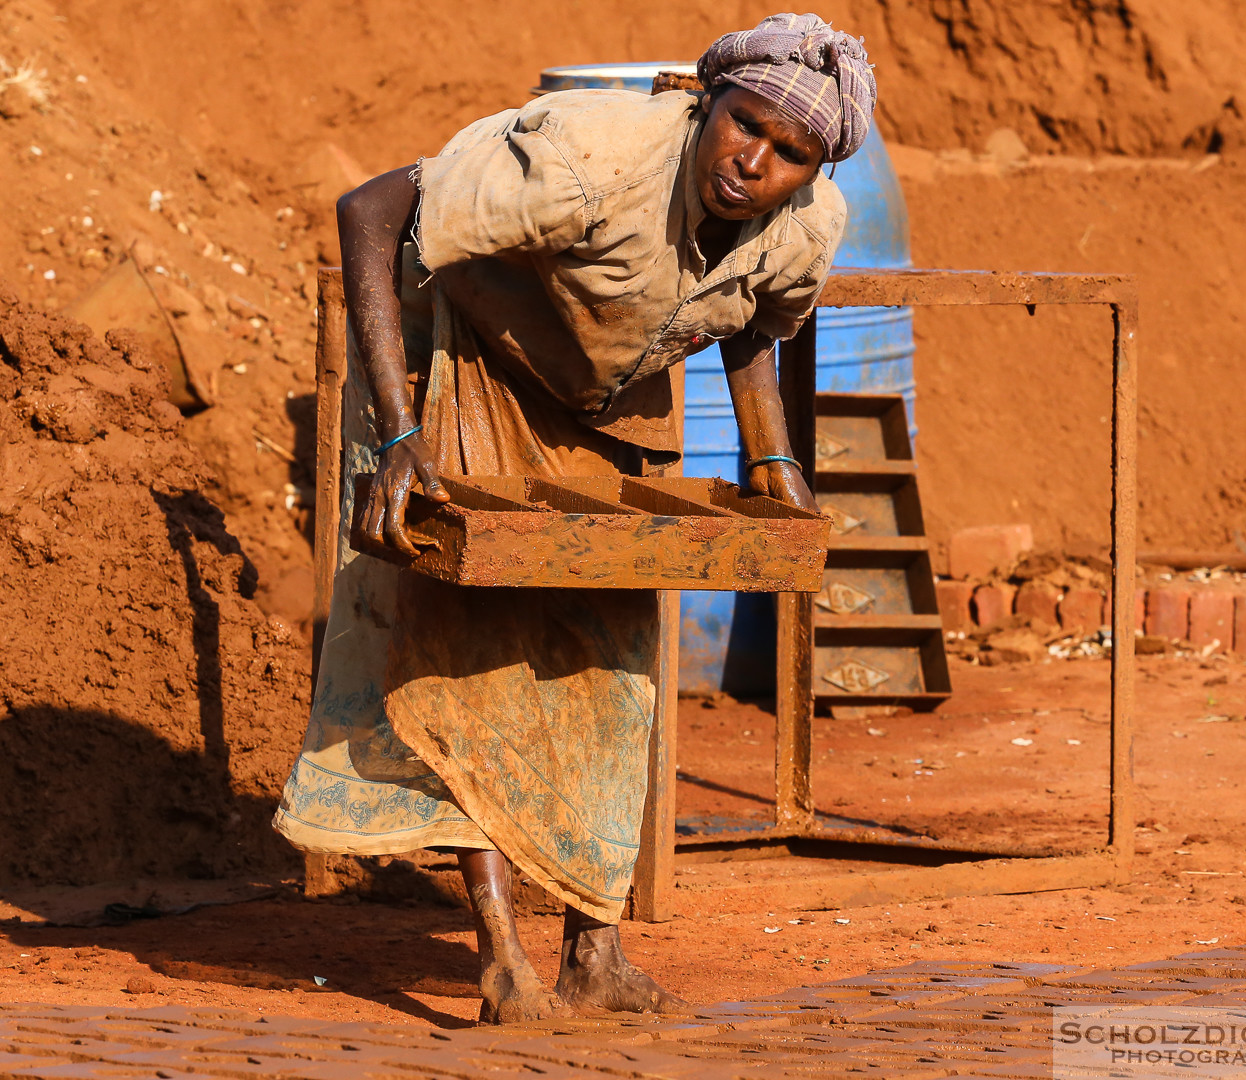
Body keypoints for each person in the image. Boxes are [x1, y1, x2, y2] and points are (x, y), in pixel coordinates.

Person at [273, 12, 877, 1024]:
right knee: (472, 659)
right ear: (705, 100)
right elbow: (371, 211)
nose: (753, 162)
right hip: (461, 354)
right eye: (745, 126)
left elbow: (752, 320)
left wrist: (772, 457)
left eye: (788, 154)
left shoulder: (805, 222)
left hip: (597, 396)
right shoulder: (590, 159)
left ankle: (594, 953)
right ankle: (503, 954)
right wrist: (397, 433)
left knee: (614, 668)